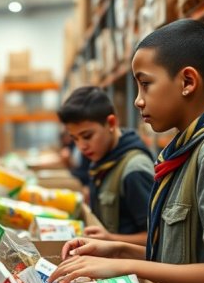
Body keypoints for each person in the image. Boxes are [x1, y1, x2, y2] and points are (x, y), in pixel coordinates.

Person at [48, 19, 204, 283]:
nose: (138, 101)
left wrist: (129, 265)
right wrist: (117, 250)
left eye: (146, 84)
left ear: (187, 82)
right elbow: (186, 261)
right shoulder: (189, 151)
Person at [57, 87, 153, 245]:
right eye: (75, 138)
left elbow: (158, 239)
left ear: (111, 123)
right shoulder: (102, 157)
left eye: (87, 136)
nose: (81, 146)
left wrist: (110, 239)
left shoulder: (134, 170)